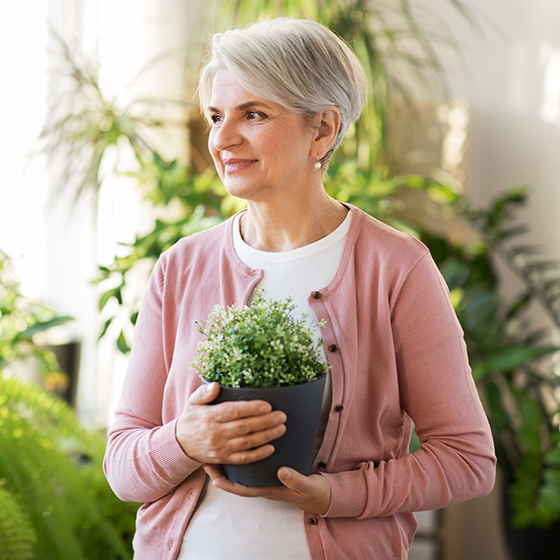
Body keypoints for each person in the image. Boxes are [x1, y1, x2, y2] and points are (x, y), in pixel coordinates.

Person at [103, 17, 496, 560]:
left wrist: (336, 495)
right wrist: (185, 440)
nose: (222, 139)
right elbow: (123, 469)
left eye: (254, 114)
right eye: (217, 116)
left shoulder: (396, 267)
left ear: (323, 130)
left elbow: (467, 459)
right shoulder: (180, 267)